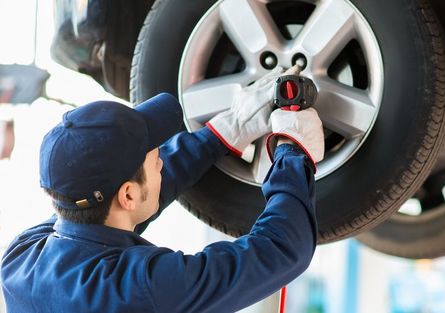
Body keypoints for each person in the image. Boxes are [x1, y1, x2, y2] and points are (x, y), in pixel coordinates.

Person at [0, 66, 324, 312]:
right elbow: (282, 250)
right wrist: (293, 153)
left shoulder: (21, 258)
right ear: (127, 195)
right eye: (155, 155)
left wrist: (219, 135)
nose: (161, 161)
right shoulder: (140, 288)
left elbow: (117, 211)